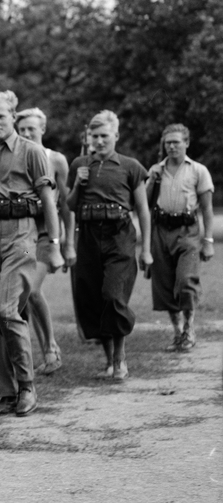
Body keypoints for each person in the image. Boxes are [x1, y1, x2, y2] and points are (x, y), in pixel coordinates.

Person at [0, 90, 63, 417]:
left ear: (13, 116)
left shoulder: (32, 151)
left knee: (6, 311)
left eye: (1, 116)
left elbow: (48, 201)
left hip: (22, 231)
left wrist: (54, 244)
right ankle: (5, 391)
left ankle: (26, 385)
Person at [67, 111, 153, 381]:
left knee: (113, 296)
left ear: (116, 135)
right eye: (94, 136)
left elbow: (143, 210)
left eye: (104, 135)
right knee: (93, 298)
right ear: (88, 138)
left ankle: (120, 358)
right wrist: (78, 183)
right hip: (88, 237)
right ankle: (108, 361)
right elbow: (70, 205)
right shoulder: (79, 164)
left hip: (119, 236)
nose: (99, 141)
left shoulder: (131, 166)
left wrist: (146, 250)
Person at [16, 108, 77, 375]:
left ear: (43, 128)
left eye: (31, 128)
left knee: (31, 289)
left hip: (46, 233)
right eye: (22, 129)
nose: (26, 133)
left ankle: (51, 347)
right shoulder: (15, 158)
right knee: (24, 293)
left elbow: (66, 205)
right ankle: (43, 353)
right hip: (21, 233)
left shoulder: (56, 159)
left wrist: (68, 244)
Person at [146, 123, 214, 352]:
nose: (171, 147)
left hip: (188, 231)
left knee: (185, 281)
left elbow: (207, 209)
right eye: (168, 143)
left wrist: (208, 241)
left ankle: (189, 327)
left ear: (187, 143)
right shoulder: (156, 170)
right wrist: (151, 180)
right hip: (160, 231)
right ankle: (177, 332)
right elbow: (144, 203)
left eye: (176, 142)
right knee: (164, 283)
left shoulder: (198, 171)